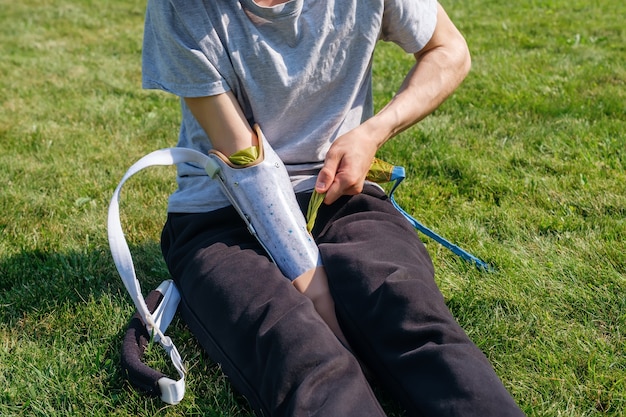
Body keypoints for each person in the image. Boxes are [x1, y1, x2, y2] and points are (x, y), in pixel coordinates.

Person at [141, 0, 526, 415]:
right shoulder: (183, 6)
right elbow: (244, 162)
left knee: (408, 313)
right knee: (301, 352)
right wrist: (315, 287)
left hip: (340, 194)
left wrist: (373, 132)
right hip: (223, 214)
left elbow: (448, 50)